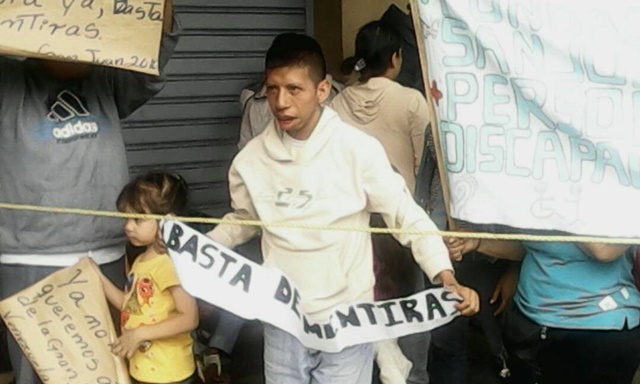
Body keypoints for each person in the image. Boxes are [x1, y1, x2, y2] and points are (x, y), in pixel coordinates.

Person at [207, 32, 480, 384]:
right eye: (272, 89)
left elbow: (404, 214)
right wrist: (201, 244)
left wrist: (444, 274)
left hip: (348, 322)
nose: (281, 102)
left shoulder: (356, 150)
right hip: (283, 322)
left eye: (294, 89)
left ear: (322, 90)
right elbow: (244, 220)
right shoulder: (251, 161)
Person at [0, 3, 179, 383]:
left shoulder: (110, 76)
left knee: (108, 371)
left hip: (107, 255)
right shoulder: (7, 77)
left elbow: (154, 45)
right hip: (28, 259)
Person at [447, 237, 640, 384]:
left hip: (599, 330)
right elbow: (532, 245)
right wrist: (478, 243)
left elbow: (604, 251)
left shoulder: (625, 190)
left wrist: (559, 194)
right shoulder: (542, 190)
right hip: (531, 327)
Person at [92, 171, 199, 384]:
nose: (128, 226)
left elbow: (190, 318)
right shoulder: (141, 260)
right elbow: (130, 306)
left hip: (170, 374)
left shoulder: (170, 263)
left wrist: (139, 334)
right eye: (127, 218)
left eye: (138, 219)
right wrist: (97, 276)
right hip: (144, 373)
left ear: (168, 219)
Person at [331, 20, 428, 193]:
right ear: (394, 58)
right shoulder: (412, 101)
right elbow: (425, 166)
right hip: (401, 209)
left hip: (352, 208)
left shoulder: (337, 103)